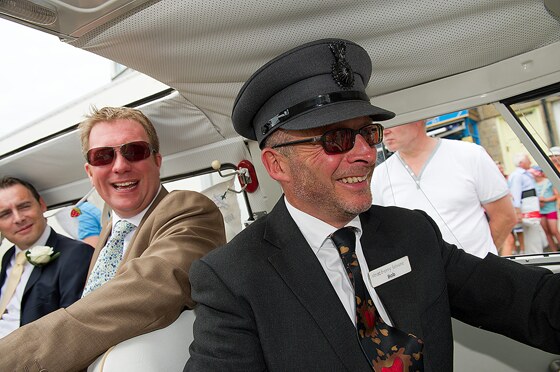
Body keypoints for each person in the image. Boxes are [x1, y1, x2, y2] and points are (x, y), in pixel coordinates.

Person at [185, 39, 560, 372]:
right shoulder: (232, 278)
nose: (365, 153)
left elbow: (523, 300)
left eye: (367, 133)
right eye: (337, 139)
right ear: (276, 165)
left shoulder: (411, 232)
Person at [0, 107, 226, 371]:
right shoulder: (109, 230)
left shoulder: (189, 208)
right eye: (103, 156)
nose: (120, 166)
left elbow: (147, 289)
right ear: (89, 171)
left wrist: (15, 355)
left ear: (157, 160)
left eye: (135, 151)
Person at [371, 121, 516, 258]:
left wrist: (480, 261)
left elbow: (505, 217)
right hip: (423, 282)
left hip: (478, 278)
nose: (385, 131)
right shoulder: (379, 175)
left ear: (418, 118)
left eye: (392, 123)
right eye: (380, 125)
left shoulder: (470, 154)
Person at [0, 177, 93, 338]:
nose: (18, 218)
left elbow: (73, 328)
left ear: (42, 205)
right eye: (5, 214)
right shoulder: (8, 257)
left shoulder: (77, 255)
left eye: (24, 206)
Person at [508, 153, 545, 254]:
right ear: (521, 163)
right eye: (528, 159)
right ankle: (536, 255)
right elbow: (516, 193)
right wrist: (517, 211)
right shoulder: (518, 175)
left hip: (532, 207)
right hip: (527, 209)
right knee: (532, 235)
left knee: (533, 234)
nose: (530, 162)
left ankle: (536, 253)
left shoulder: (526, 174)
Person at [531, 165, 560, 252]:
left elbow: (556, 195)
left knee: (554, 230)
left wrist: (545, 200)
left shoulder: (548, 182)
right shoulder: (532, 184)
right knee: (547, 232)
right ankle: (554, 251)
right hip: (540, 210)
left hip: (551, 209)